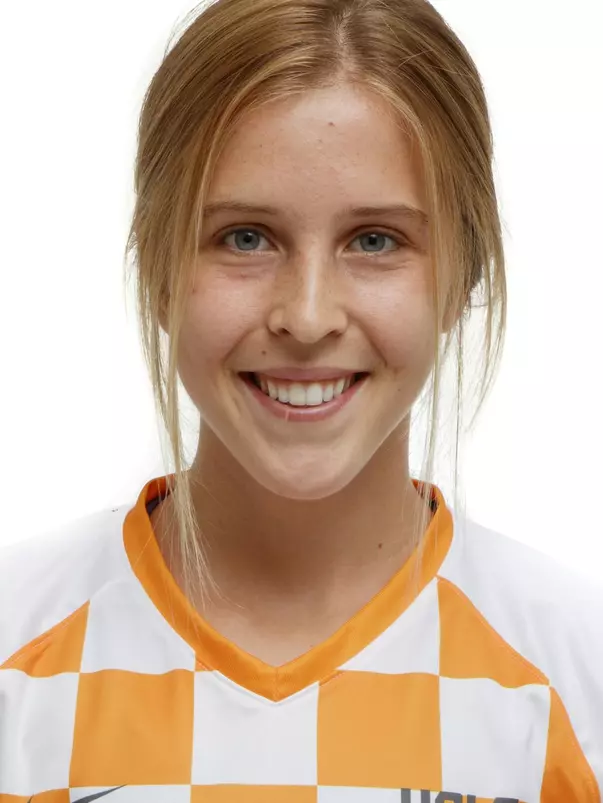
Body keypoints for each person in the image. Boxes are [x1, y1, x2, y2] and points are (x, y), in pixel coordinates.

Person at [1, 0, 602, 799]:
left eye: (375, 240)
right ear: (154, 264)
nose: (308, 316)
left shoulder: (572, 673)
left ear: (463, 274)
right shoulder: (18, 655)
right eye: (244, 236)